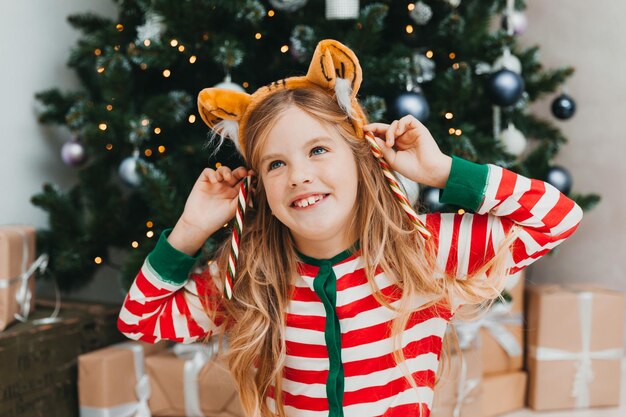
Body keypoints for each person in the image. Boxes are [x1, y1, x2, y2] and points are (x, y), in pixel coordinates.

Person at [117, 39, 583, 417]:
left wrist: (442, 171)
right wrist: (190, 230)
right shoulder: (252, 278)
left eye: (318, 150)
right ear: (259, 186)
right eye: (276, 163)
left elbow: (558, 218)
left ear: (363, 161)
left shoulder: (423, 248)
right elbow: (140, 320)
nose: (298, 174)